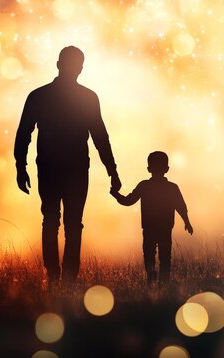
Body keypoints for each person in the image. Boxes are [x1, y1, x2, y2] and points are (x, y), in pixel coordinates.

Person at [14, 46, 121, 286]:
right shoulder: (85, 97)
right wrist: (111, 170)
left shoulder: (40, 95)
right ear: (69, 66)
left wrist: (21, 166)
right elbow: (100, 137)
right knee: (71, 222)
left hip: (55, 167)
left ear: (59, 64)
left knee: (53, 220)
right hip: (72, 168)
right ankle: (65, 277)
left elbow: (24, 134)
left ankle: (56, 276)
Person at [110, 151, 193, 285]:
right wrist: (187, 222)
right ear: (167, 169)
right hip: (165, 228)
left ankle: (151, 274)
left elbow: (128, 201)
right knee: (165, 257)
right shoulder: (172, 188)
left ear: (149, 169)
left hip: (149, 228)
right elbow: (181, 206)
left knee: (148, 254)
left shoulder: (144, 186)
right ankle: (164, 283)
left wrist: (116, 195)